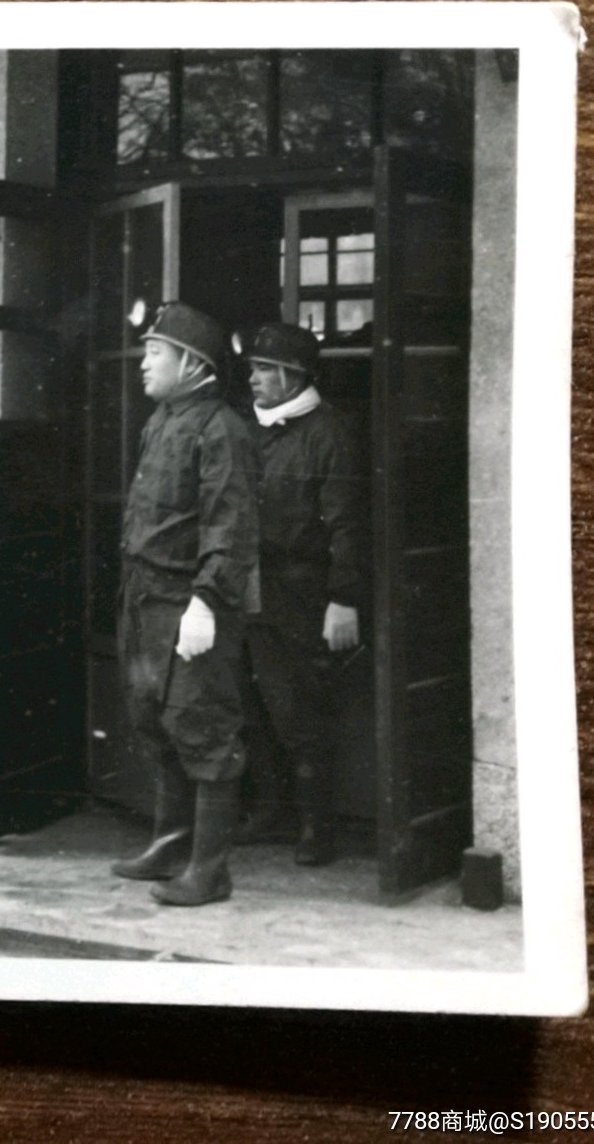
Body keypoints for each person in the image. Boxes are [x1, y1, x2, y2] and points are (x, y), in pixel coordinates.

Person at [111, 303, 260, 907]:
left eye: (155, 353)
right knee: (157, 721)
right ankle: (171, 845)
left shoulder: (220, 428)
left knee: (204, 728)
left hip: (189, 605)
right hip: (145, 601)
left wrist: (206, 601)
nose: (143, 363)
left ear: (192, 364)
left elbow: (230, 524)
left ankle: (210, 869)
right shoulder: (162, 421)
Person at [240, 323, 368, 866]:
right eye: (253, 369)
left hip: (304, 593)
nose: (253, 380)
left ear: (292, 376)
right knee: (258, 703)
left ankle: (317, 825)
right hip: (253, 589)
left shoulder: (329, 434)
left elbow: (348, 524)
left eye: (263, 370)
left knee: (301, 710)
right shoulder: (256, 430)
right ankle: (272, 812)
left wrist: (345, 598)